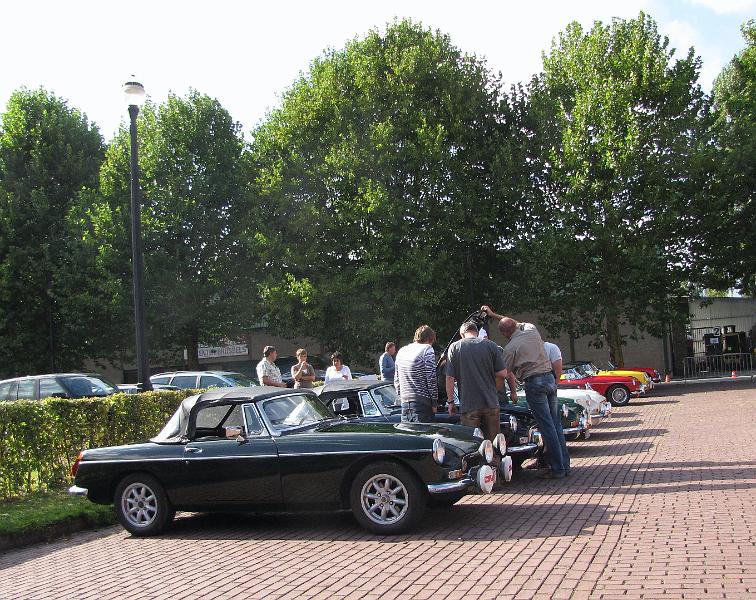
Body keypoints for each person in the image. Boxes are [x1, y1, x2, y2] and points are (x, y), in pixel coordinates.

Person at [482, 305, 570, 479]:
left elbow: (503, 375)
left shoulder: (510, 349)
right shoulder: (531, 330)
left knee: (547, 426)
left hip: (534, 383)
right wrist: (493, 315)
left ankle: (558, 468)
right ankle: (565, 465)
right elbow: (512, 322)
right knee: (556, 424)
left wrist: (491, 394)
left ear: (505, 334)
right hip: (550, 379)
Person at [445, 321, 507, 441]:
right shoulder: (491, 345)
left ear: (462, 334)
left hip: (469, 405)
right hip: (491, 403)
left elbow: (449, 378)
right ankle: (494, 459)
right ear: (477, 332)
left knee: (472, 443)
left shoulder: (455, 347)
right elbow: (503, 373)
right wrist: (495, 390)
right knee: (494, 442)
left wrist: (451, 401)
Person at [394, 325, 438, 423]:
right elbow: (431, 379)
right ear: (430, 339)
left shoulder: (402, 351)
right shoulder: (427, 349)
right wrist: (434, 403)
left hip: (405, 403)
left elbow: (397, 380)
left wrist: (401, 398)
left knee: (409, 436)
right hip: (422, 404)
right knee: (424, 436)